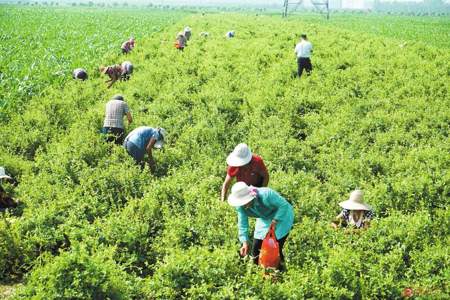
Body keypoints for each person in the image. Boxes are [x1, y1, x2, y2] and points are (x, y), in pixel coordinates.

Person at [228, 182, 294, 269]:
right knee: (256, 250)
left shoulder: (266, 194)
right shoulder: (240, 206)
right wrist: (245, 242)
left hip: (281, 217)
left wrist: (275, 221)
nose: (244, 205)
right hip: (264, 219)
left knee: (274, 246)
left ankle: (280, 270)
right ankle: (258, 272)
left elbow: (283, 206)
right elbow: (242, 223)